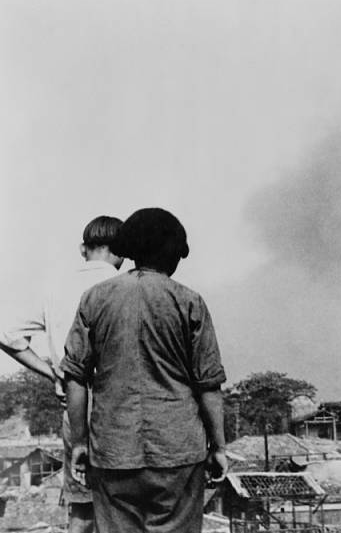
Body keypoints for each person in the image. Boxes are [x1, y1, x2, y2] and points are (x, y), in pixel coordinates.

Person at [61, 207, 227, 533]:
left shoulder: (94, 298)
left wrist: (80, 443)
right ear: (174, 254)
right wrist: (219, 447)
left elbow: (75, 378)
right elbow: (208, 384)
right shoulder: (189, 302)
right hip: (177, 453)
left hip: (113, 452)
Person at [0, 216, 124, 533]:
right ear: (123, 250)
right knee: (124, 509)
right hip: (122, 407)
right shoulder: (125, 285)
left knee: (82, 510)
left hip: (75, 407)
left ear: (84, 249)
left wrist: (54, 373)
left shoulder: (56, 287)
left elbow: (7, 334)